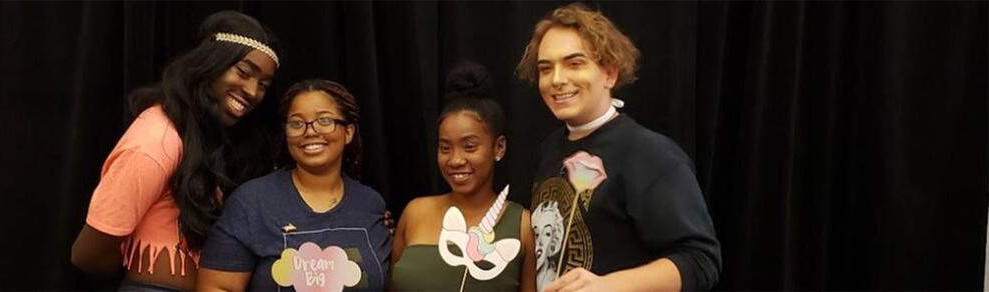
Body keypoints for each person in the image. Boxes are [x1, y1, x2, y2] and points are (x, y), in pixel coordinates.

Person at [514, 3, 721, 291]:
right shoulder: (550, 149)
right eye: (546, 68)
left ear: (609, 73)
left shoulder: (650, 154)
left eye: (574, 63)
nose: (557, 79)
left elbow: (701, 260)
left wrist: (610, 285)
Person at [70, 10, 281, 291]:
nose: (253, 91)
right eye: (243, 72)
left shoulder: (207, 137)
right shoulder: (156, 140)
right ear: (210, 63)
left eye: (263, 85)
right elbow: (88, 254)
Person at [197, 79, 391, 291]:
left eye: (324, 120)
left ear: (348, 132)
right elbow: (217, 287)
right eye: (296, 123)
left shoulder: (370, 204)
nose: (310, 131)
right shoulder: (251, 202)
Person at [389, 61, 535, 291]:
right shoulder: (415, 213)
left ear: (499, 148)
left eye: (469, 147)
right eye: (445, 148)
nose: (455, 160)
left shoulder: (522, 225)